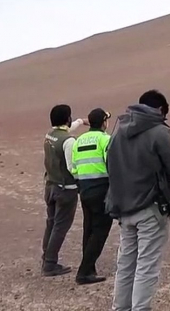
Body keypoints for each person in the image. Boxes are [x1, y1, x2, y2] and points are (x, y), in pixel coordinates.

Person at [106, 90, 170, 311]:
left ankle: (120, 308)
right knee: (147, 266)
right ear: (160, 110)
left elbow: (110, 166)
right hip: (151, 206)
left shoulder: (117, 131)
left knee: (125, 265)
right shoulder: (159, 131)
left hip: (124, 207)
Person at [41, 104, 89, 277]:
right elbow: (72, 167)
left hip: (50, 186)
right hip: (65, 190)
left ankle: (46, 257)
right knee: (60, 227)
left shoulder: (50, 135)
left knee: (51, 223)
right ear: (66, 119)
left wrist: (81, 122)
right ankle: (50, 264)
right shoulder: (69, 142)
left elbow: (66, 130)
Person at [70, 108, 114, 285]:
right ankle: (84, 271)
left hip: (84, 189)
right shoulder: (105, 139)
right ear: (104, 122)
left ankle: (89, 267)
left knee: (88, 229)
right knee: (100, 230)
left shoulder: (78, 140)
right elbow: (112, 164)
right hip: (102, 188)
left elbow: (74, 168)